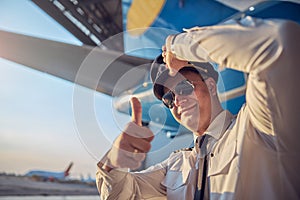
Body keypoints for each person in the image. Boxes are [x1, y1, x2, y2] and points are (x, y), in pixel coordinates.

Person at [96, 16, 300, 200]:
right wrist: (114, 161)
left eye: (184, 87)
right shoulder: (175, 165)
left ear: (211, 85)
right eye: (168, 98)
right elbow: (120, 196)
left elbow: (280, 42)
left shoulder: (259, 126)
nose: (176, 100)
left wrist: (177, 46)